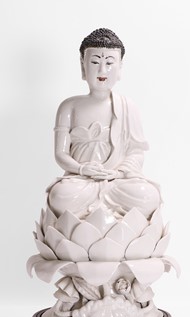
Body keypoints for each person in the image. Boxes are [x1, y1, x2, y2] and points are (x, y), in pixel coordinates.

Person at [47, 28, 160, 219]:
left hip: (116, 182)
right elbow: (60, 154)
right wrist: (82, 169)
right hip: (80, 181)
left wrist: (118, 173)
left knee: (148, 195)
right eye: (94, 62)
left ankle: (98, 219)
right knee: (60, 195)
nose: (102, 70)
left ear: (120, 67)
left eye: (109, 63)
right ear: (83, 66)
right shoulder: (69, 106)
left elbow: (136, 152)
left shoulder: (128, 106)